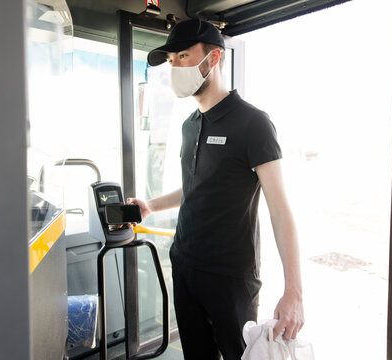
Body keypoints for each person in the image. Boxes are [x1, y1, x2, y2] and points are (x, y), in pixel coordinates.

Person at [127, 19, 304, 359]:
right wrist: (150, 205)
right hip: (185, 265)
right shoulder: (190, 125)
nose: (175, 66)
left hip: (230, 278)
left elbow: (280, 209)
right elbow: (195, 186)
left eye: (183, 56)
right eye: (171, 60)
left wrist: (293, 291)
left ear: (213, 59)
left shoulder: (253, 124)